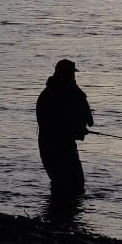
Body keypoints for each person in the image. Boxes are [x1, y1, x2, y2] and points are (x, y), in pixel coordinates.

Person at [34, 58, 93, 197]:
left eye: (73, 74)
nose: (73, 77)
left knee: (71, 183)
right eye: (70, 74)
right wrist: (75, 129)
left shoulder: (69, 92)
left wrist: (78, 128)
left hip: (59, 144)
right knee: (67, 183)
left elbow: (88, 119)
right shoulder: (53, 95)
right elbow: (49, 123)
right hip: (52, 145)